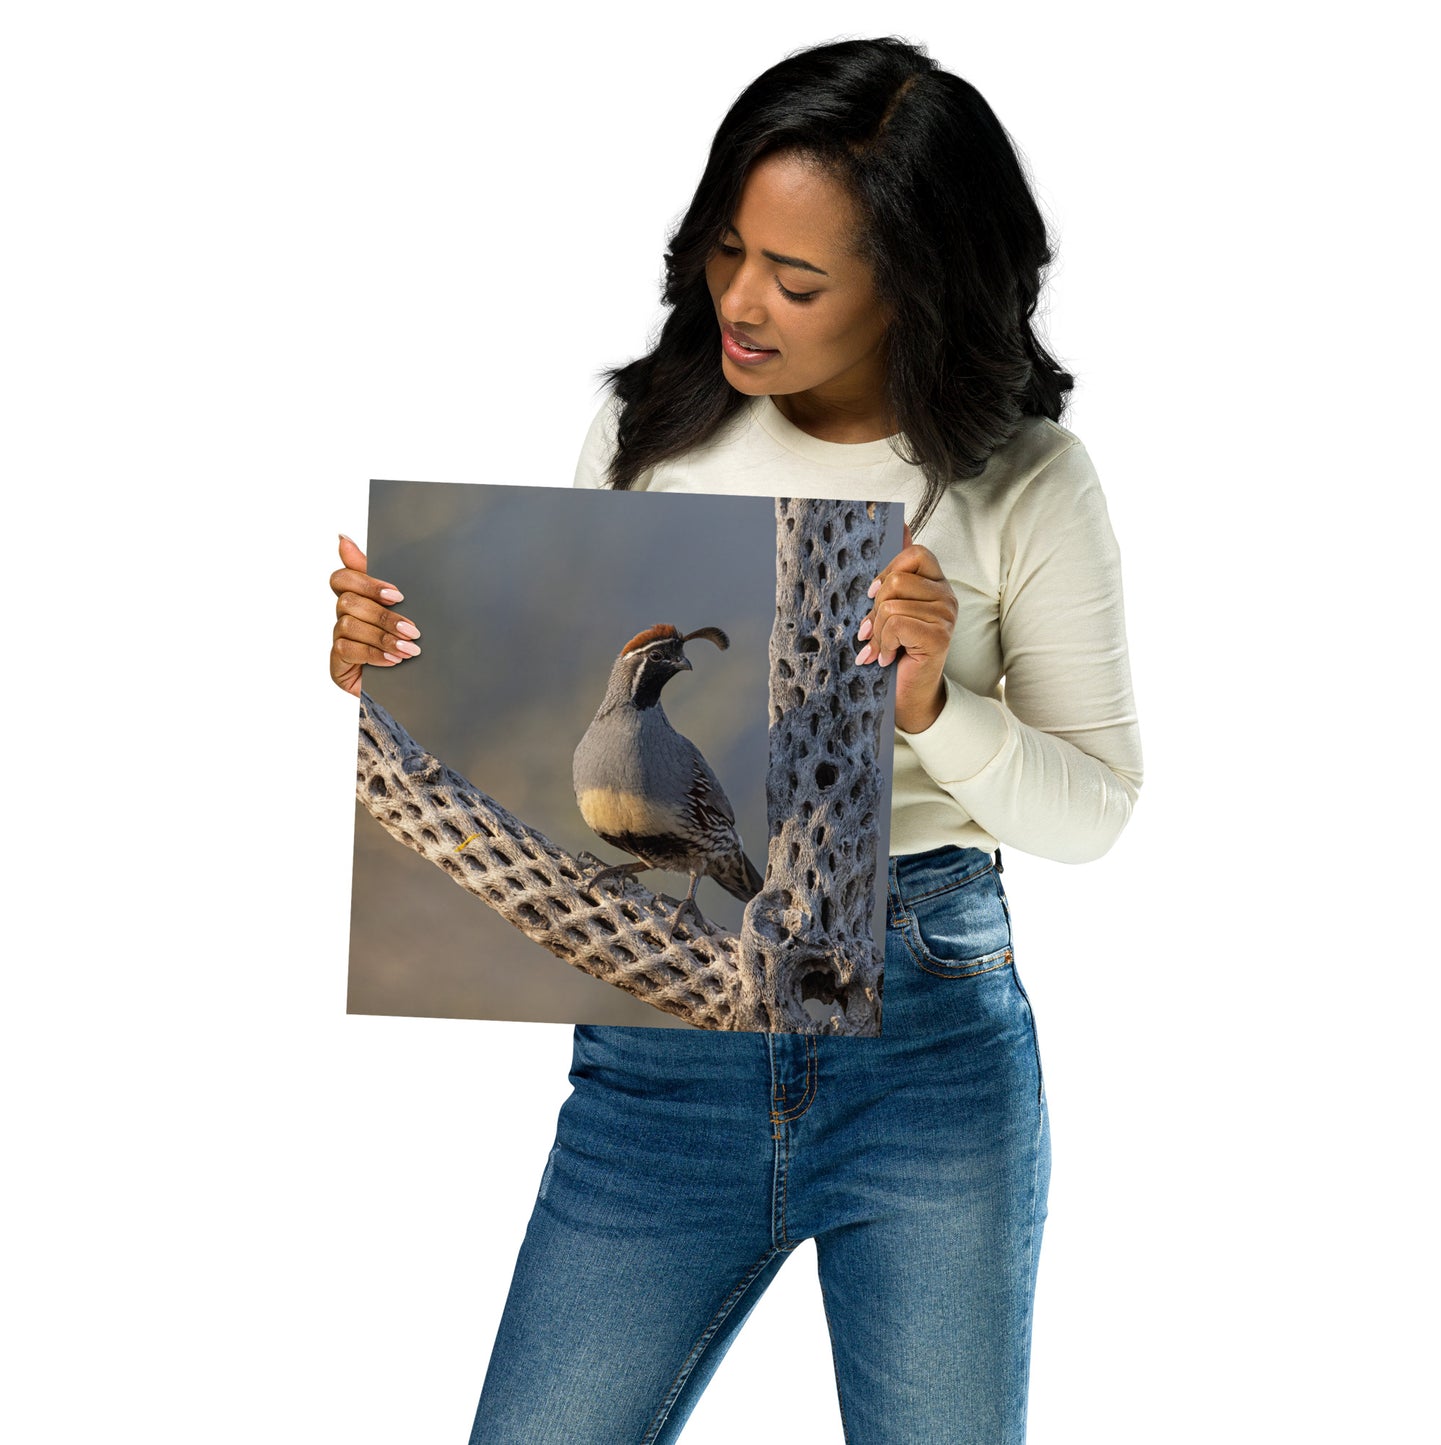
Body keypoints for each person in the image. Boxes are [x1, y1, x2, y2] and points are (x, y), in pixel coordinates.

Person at [330, 37, 1142, 1443]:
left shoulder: (1025, 481)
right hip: (657, 1070)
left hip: (927, 1052)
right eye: (724, 250)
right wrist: (391, 670)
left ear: (914, 286)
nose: (740, 302)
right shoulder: (648, 430)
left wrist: (936, 707)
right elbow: (529, 705)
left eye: (798, 277)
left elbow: (1093, 813)